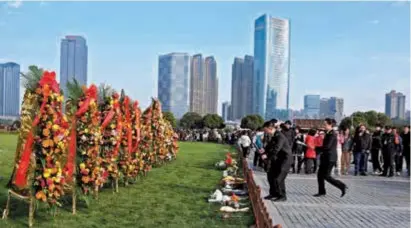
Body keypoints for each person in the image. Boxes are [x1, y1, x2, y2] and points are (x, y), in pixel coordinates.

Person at [260, 119, 292, 202]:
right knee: (271, 176)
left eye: (265, 130)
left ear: (270, 128)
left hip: (285, 159)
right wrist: (264, 151)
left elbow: (276, 149)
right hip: (278, 159)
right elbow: (270, 146)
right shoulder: (274, 136)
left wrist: (266, 156)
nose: (265, 132)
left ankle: (282, 196)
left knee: (279, 178)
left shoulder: (280, 136)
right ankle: (273, 193)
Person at [314, 118, 347, 198]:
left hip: (330, 158)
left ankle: (341, 186)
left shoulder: (332, 134)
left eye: (325, 124)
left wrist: (317, 148)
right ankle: (322, 192)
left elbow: (327, 146)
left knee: (326, 176)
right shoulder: (328, 133)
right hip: (325, 157)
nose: (324, 126)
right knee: (320, 175)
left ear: (330, 125)